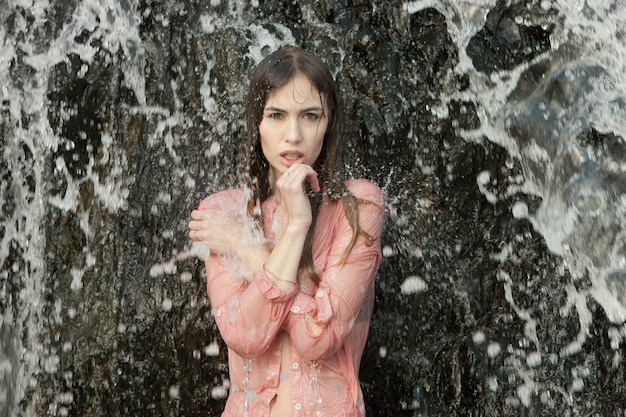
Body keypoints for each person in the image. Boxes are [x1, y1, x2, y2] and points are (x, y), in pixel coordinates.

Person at [188, 45, 384, 417]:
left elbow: (318, 338)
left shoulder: (359, 208)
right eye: (276, 115)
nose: (293, 135)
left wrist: (253, 248)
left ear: (328, 124)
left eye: (309, 116)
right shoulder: (224, 211)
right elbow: (246, 335)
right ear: (256, 123)